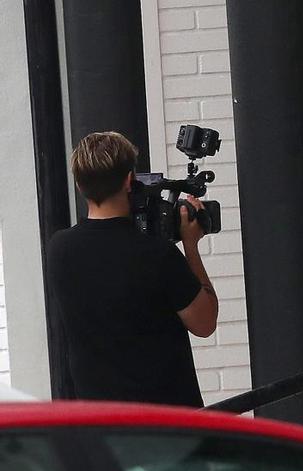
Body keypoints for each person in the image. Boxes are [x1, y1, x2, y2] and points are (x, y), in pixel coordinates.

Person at [47, 131, 218, 407]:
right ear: (130, 181)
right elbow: (205, 322)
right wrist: (191, 246)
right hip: (169, 426)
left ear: (79, 184)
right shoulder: (157, 255)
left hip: (104, 427)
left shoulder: (59, 250)